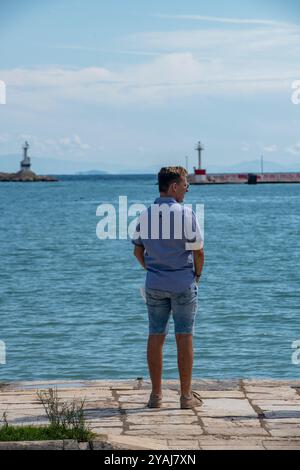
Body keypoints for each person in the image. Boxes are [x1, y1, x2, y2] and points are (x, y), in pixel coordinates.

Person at [132, 166, 205, 409]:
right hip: (183, 283)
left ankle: (156, 396)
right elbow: (199, 252)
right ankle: (185, 397)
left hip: (154, 283)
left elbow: (138, 251)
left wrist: (152, 269)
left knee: (156, 335)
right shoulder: (187, 214)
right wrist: (197, 276)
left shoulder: (144, 214)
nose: (187, 188)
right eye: (185, 184)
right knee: (184, 336)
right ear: (174, 186)